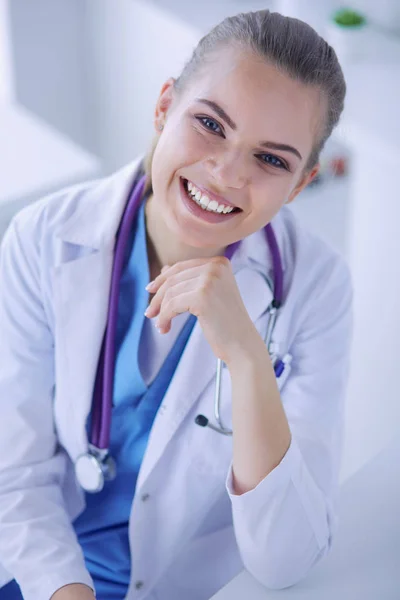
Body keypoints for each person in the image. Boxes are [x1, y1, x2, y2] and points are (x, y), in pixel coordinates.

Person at [0, 9, 352, 600]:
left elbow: (285, 559)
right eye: (211, 124)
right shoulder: (43, 238)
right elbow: (14, 475)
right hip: (35, 566)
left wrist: (246, 359)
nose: (226, 173)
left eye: (271, 160)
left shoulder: (316, 291)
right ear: (164, 107)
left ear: (299, 184)